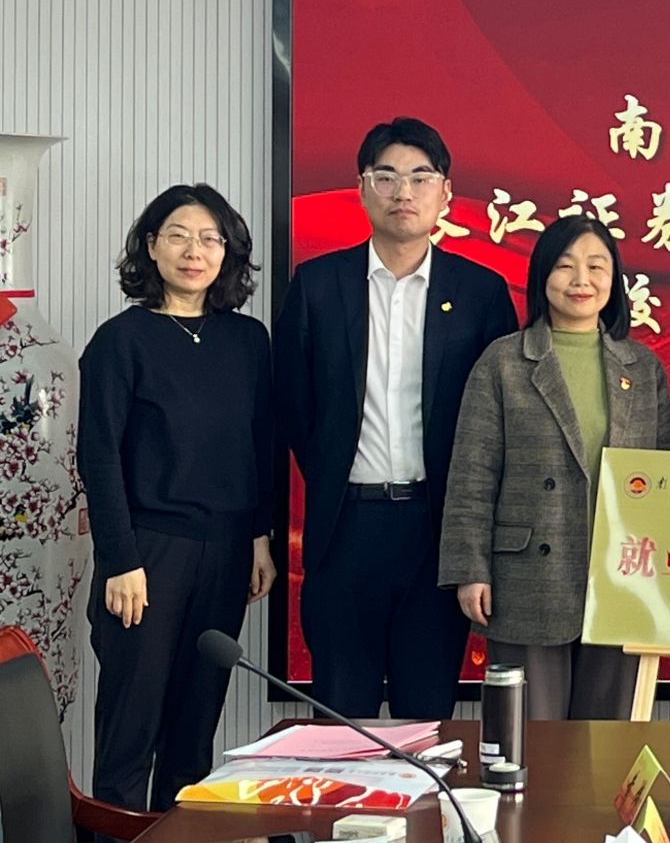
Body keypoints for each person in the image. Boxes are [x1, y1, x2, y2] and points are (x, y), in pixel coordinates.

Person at [276, 117, 518, 718]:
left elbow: (497, 422)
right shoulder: (317, 285)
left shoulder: (481, 292)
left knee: (426, 717)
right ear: (362, 189)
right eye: (385, 177)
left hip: (437, 533)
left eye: (420, 177)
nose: (403, 192)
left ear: (445, 193)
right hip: (345, 527)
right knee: (341, 720)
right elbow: (293, 406)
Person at [78, 184, 276, 811]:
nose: (195, 252)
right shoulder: (121, 340)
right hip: (147, 554)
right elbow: (99, 456)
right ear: (151, 246)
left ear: (228, 253)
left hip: (227, 552)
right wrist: (120, 559)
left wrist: (260, 537)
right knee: (130, 730)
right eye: (179, 236)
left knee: (194, 733)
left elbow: (261, 444)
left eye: (210, 239)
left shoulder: (248, 341)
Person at [440, 216, 670, 719]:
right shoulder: (503, 362)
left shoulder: (642, 367)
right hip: (528, 575)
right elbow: (473, 472)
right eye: (566, 266)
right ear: (543, 275)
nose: (581, 280)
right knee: (530, 736)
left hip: (621, 578)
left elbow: (666, 478)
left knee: (607, 738)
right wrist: (470, 569)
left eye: (597, 266)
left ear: (614, 280)